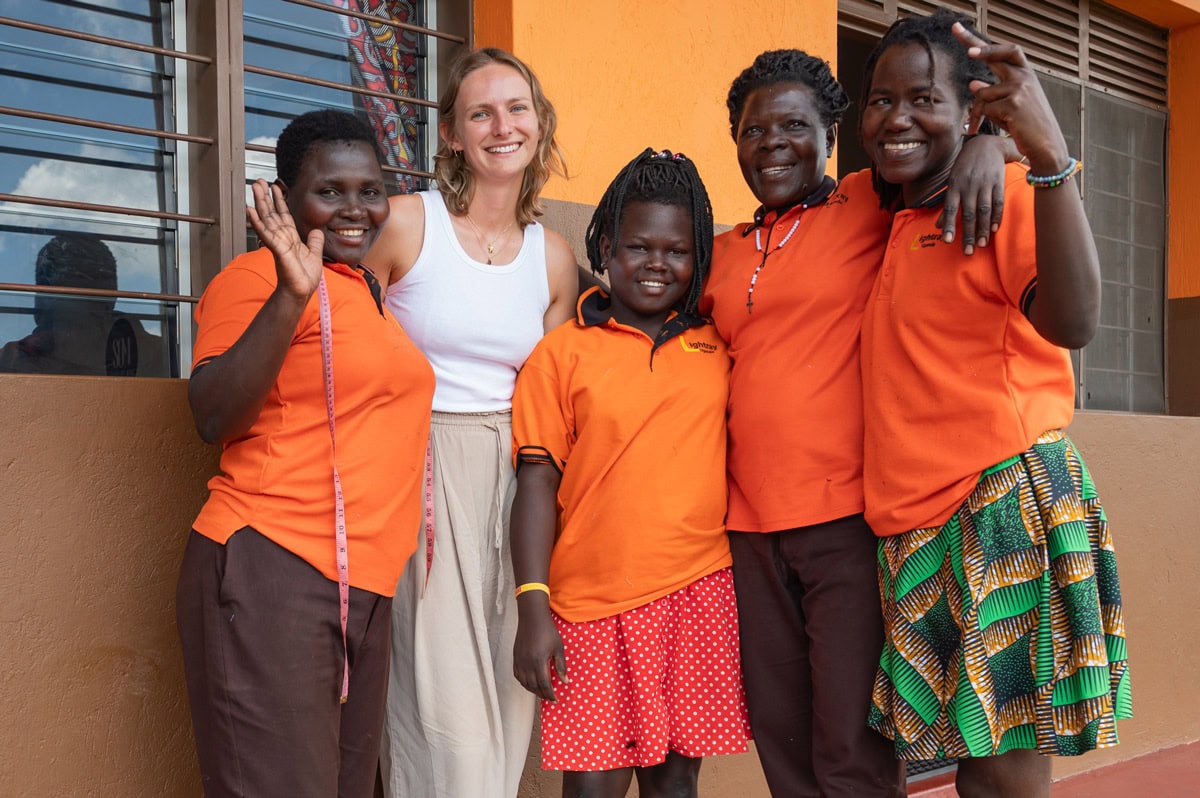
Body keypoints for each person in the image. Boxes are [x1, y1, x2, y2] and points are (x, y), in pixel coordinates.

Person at [702, 49, 1014, 797]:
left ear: (831, 132)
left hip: (846, 521)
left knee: (850, 747)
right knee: (782, 743)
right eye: (753, 129)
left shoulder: (868, 201)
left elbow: (931, 141)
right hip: (745, 529)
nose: (772, 142)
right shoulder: (720, 252)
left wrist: (986, 143)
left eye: (793, 125)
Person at [858, 11, 1132, 798]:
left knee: (1004, 774)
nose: (897, 118)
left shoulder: (1005, 195)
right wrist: (984, 139)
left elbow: (1073, 323)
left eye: (924, 99)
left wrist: (1037, 154)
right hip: (916, 522)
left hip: (999, 503)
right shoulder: (890, 213)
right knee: (967, 767)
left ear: (969, 106)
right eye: (880, 100)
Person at [177, 109, 435, 798]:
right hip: (275, 565)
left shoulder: (365, 291)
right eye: (330, 190)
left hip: (365, 586)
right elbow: (212, 413)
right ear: (286, 195)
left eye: (370, 189)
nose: (355, 208)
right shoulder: (257, 279)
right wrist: (291, 293)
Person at [362, 47, 578, 798]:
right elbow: (343, 345)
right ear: (451, 132)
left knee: (511, 696)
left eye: (517, 108)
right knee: (439, 711)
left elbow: (553, 397)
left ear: (539, 124)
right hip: (421, 475)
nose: (501, 126)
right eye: (480, 112)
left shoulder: (551, 258)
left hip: (518, 481)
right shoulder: (403, 224)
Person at [509, 148, 750, 798]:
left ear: (696, 257)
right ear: (607, 245)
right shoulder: (561, 354)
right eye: (639, 246)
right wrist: (533, 606)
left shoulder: (718, 346)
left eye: (676, 251)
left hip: (697, 593)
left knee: (675, 784)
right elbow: (535, 481)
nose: (656, 264)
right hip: (588, 603)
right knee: (593, 787)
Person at [0, 233, 166, 376]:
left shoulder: (160, 358)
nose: (41, 300)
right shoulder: (13, 358)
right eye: (42, 289)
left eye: (50, 291)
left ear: (107, 299)